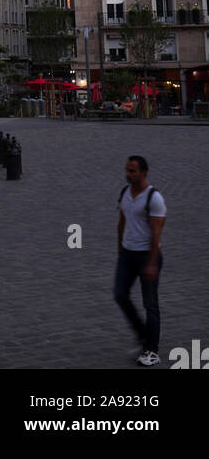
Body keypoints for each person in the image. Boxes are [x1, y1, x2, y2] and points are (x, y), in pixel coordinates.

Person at [113, 155, 166, 366]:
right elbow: (121, 222)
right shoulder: (125, 192)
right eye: (127, 170)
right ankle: (143, 334)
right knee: (119, 295)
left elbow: (156, 233)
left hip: (147, 255)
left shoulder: (154, 198)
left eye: (133, 171)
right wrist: (120, 251)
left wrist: (152, 263)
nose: (128, 174)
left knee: (150, 304)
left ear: (144, 173)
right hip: (127, 253)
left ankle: (151, 350)